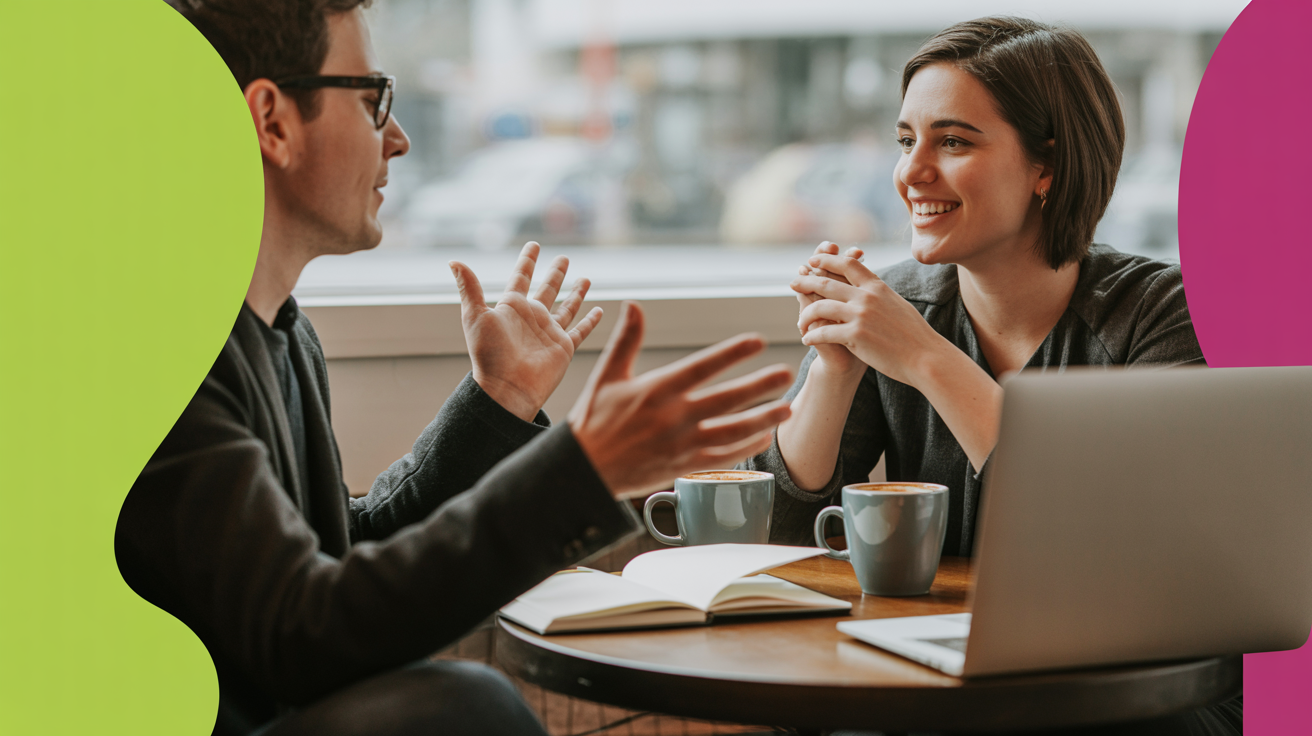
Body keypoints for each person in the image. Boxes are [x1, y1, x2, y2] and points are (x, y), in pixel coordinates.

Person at [116, 2, 792, 735]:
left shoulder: (281, 332)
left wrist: (494, 405)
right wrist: (580, 470)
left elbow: (341, 557)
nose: (398, 140)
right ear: (273, 122)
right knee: (464, 704)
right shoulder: (165, 359)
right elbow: (300, 634)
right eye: (374, 100)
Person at [743, 17, 1240, 735]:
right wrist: (835, 365)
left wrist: (926, 359)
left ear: (1048, 167)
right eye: (906, 139)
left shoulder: (1165, 315)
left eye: (952, 141)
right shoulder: (900, 307)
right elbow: (770, 544)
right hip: (951, 676)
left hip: (1144, 694)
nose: (911, 173)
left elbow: (1116, 545)